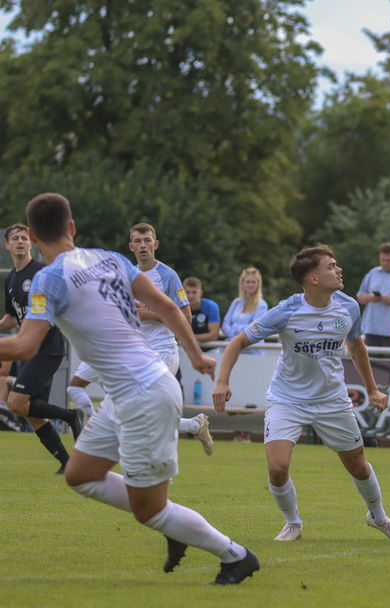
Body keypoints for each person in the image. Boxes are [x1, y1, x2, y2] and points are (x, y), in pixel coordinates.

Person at [1, 193, 257, 584]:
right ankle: (176, 526)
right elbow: (171, 308)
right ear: (72, 228)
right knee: (79, 474)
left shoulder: (47, 279)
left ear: (32, 237)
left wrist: (196, 358)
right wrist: (196, 357)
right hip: (135, 390)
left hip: (143, 394)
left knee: (149, 511)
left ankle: (235, 555)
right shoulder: (111, 258)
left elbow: (23, 346)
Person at [213, 245, 390, 544]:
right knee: (277, 468)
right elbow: (236, 342)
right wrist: (222, 382)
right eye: (331, 266)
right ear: (313, 279)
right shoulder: (286, 311)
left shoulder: (349, 306)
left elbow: (357, 347)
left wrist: (372, 388)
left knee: (357, 465)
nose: (339, 270)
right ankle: (293, 523)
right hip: (287, 399)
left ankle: (379, 517)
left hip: (332, 400)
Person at [66, 224, 213, 455]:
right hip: (134, 352)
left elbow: (185, 317)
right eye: (138, 241)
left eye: (147, 240)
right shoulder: (128, 275)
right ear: (131, 246)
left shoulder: (168, 276)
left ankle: (157, 473)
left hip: (163, 350)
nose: (143, 245)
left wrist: (150, 315)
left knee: (142, 411)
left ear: (155, 244)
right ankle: (192, 426)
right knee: (137, 412)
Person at [1, 223, 82, 473]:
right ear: (7, 245)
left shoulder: (41, 272)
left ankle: (70, 416)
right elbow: (12, 317)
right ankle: (67, 463)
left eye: (24, 237)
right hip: (28, 348)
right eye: (15, 238)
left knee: (16, 403)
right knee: (30, 412)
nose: (20, 241)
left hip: (47, 347)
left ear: (31, 243)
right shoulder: (11, 278)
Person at [222, 267, 268, 340]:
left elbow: (253, 329)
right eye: (248, 282)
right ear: (242, 283)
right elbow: (225, 324)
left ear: (258, 284)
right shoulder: (236, 302)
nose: (250, 284)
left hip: (251, 348)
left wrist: (234, 327)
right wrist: (234, 335)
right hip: (232, 342)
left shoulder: (262, 305)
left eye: (253, 282)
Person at [184, 277, 221, 344]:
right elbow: (174, 335)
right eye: (188, 292)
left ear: (201, 293)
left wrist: (186, 338)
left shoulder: (211, 306)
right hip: (184, 349)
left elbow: (214, 335)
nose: (191, 296)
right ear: (183, 294)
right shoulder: (178, 308)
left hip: (209, 349)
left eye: (194, 292)